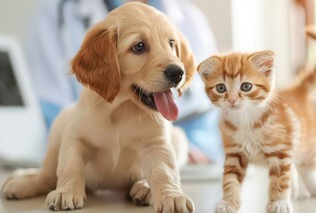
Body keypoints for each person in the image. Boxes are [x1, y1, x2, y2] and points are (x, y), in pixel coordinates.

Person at [24, 0, 224, 163]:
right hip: (93, 172)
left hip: (178, 169)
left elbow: (206, 117)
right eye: (138, 47)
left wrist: (186, 151)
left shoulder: (192, 22)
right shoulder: (55, 12)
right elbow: (54, 121)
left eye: (171, 45)